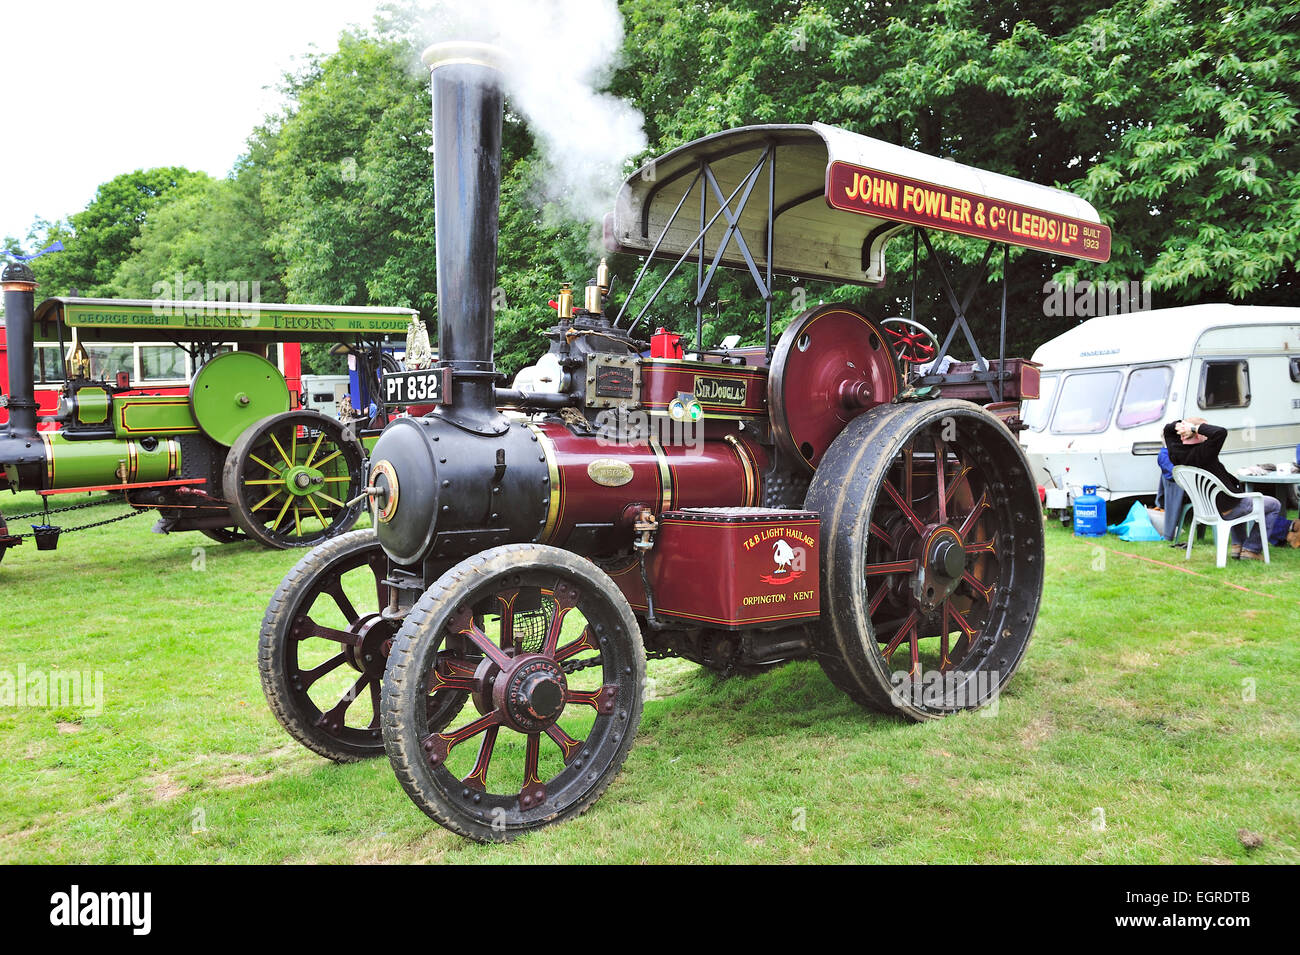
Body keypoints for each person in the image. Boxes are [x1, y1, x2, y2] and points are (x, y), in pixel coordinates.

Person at [1163, 416, 1280, 559]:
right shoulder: (1204, 451)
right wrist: (1193, 428)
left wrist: (1180, 426)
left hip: (1205, 509)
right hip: (1227, 509)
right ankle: (1252, 549)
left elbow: (1167, 431)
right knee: (1273, 504)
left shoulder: (1176, 453)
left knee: (1236, 495)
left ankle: (1238, 546)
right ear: (1199, 433)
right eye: (1205, 431)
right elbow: (1220, 432)